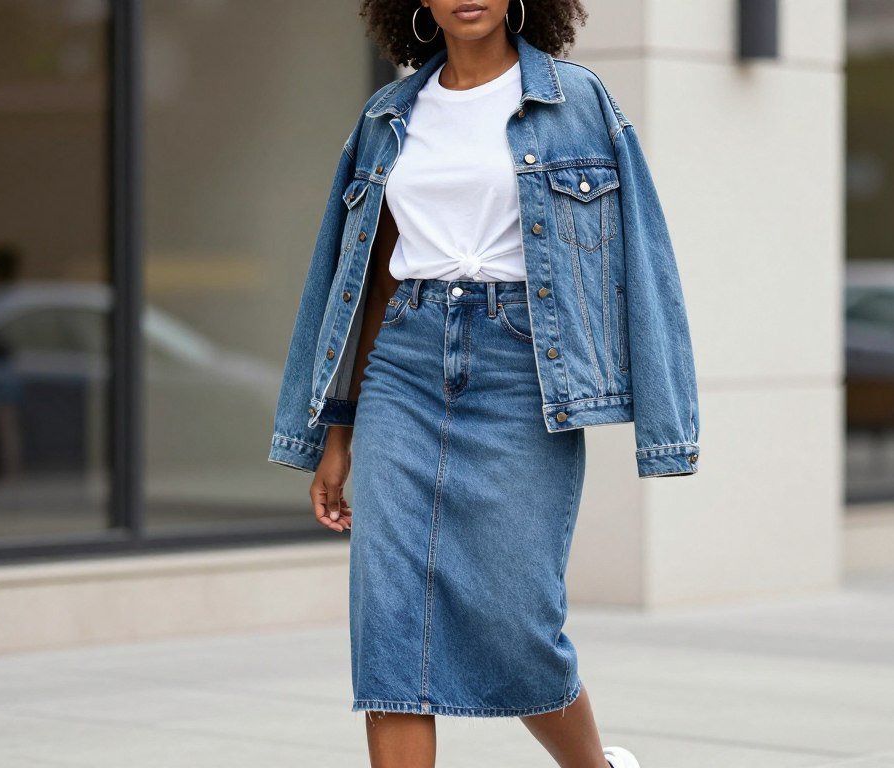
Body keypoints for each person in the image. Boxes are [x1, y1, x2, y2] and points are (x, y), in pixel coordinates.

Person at [268, 1, 701, 766]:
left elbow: (646, 257)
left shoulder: (577, 101)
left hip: (522, 371)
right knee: (389, 621)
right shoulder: (388, 117)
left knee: (515, 619)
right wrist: (337, 433)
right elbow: (361, 281)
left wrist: (664, 422)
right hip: (403, 363)